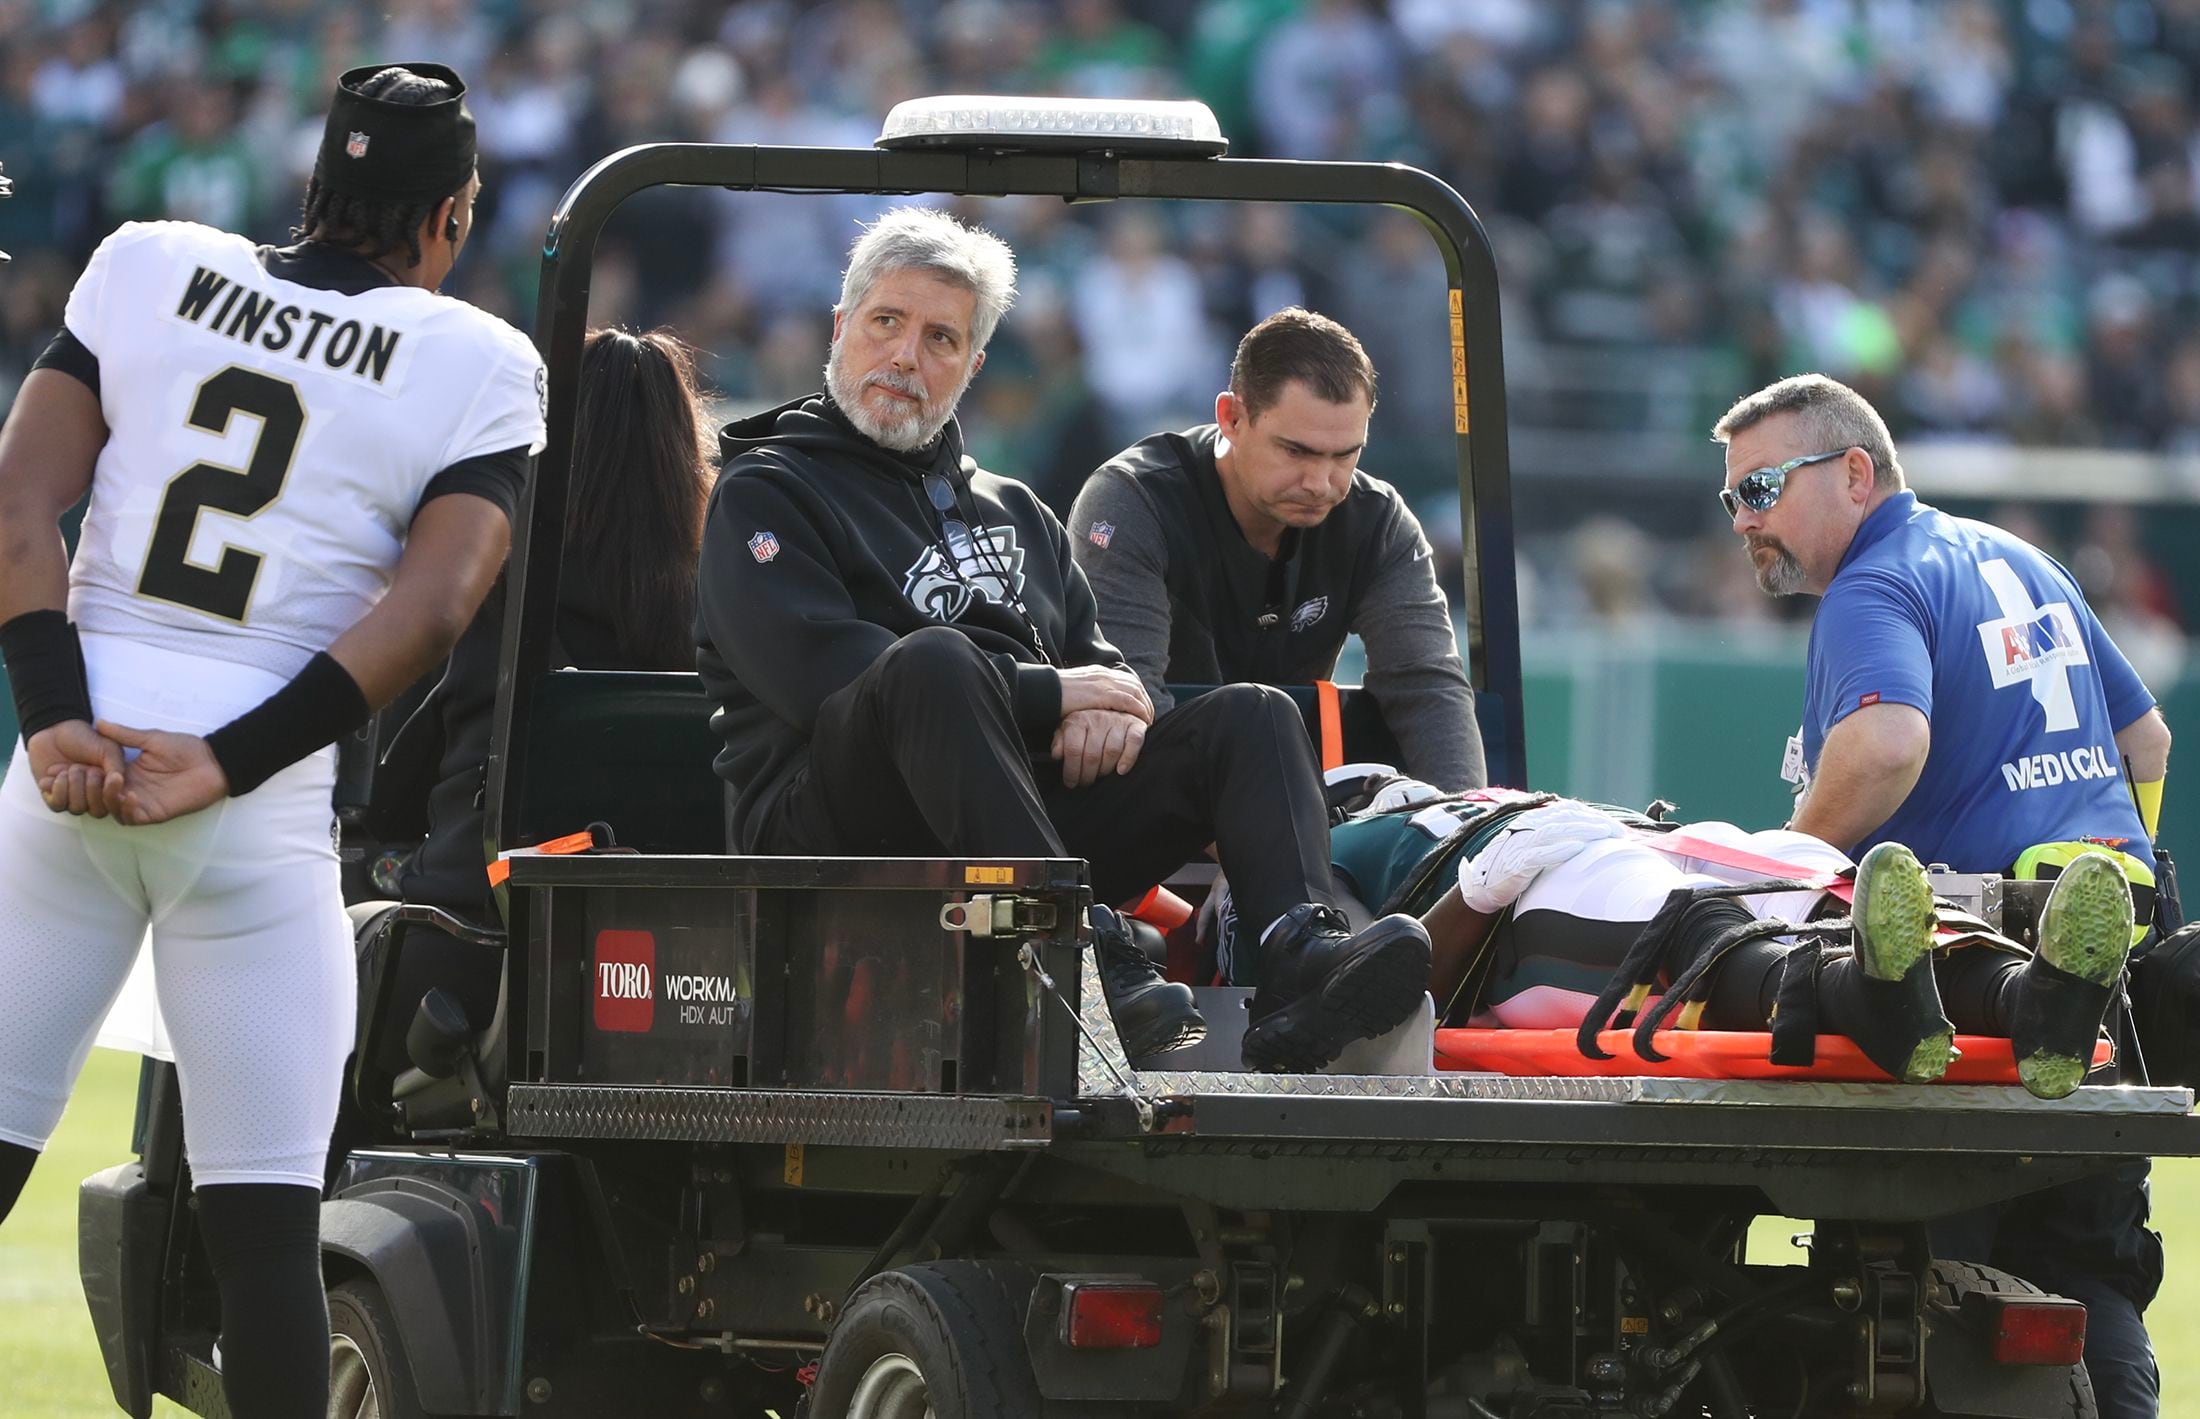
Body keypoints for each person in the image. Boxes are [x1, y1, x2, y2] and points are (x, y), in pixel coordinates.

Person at [0, 63, 539, 1419]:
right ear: (454, 212)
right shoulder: (475, 358)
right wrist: (232, 759)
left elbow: (19, 495)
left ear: (312, 182)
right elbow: (435, 605)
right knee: (263, 1232)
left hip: (71, 759)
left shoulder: (147, 261)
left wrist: (53, 700)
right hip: (252, 797)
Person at [694, 208, 1431, 1074]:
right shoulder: (765, 491)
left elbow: (1106, 668)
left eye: (941, 338)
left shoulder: (1018, 510)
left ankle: (1298, 958)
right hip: (837, 840)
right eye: (886, 323)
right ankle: (1071, 946)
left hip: (1020, 826)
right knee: (933, 656)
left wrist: (1106, 703)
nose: (905, 356)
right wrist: (1051, 695)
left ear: (971, 367)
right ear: (841, 329)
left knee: (1254, 714)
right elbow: (823, 679)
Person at [1712, 372, 2169, 1419]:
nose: (1745, 519)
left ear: (1856, 473)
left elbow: (1884, 746)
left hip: (1965, 988)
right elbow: (2147, 738)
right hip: (2103, 985)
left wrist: (1781, 866)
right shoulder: (2018, 557)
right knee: (2085, 1273)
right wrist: (2126, 860)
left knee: (1908, 1299)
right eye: (1732, 496)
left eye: (1764, 487)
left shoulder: (1873, 584)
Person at [1250, 772, 2136, 1098]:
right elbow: (1376, 975)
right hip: (1517, 905)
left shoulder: (1432, 800)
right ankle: (1868, 996)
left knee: (1802, 869)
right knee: (1671, 906)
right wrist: (1479, 888)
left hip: (1609, 835)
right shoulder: (1334, 849)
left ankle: (2033, 999)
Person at [348, 325, 712, 1102]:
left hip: (467, 947)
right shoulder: (722, 612)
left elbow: (387, 786)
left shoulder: (483, 588)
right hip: (667, 968)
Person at [1069, 308, 1485, 791]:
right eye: (1296, 451)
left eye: (1345, 455)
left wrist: (1463, 830)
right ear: (1232, 417)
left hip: (1292, 804)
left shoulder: (1378, 521)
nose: (1320, 483)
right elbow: (1130, 701)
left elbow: (1427, 687)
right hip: (1152, 807)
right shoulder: (1133, 501)